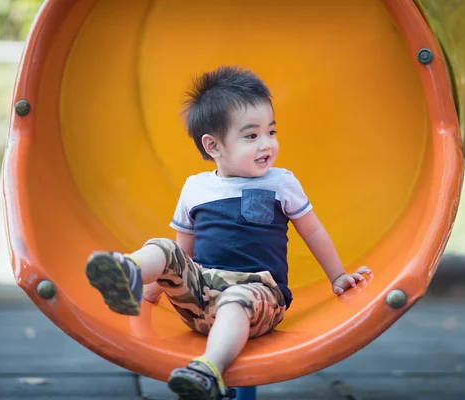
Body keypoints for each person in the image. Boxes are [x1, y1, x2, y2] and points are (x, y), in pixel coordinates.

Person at [85, 66, 370, 400]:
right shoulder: (196, 188)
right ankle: (127, 274)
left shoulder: (280, 183)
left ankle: (207, 369)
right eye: (251, 136)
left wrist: (337, 276)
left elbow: (314, 231)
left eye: (271, 132)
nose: (267, 144)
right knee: (162, 246)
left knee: (235, 301)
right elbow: (183, 252)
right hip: (201, 296)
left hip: (259, 295)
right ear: (214, 145)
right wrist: (154, 291)